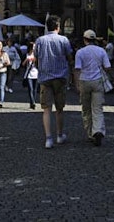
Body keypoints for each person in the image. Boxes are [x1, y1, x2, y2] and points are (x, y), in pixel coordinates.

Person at [35, 15, 73, 149]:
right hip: (60, 77)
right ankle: (60, 135)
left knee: (46, 109)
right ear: (57, 27)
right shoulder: (63, 40)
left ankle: (48, 138)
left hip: (45, 78)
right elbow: (69, 56)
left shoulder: (40, 40)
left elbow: (36, 58)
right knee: (59, 109)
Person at [74, 29, 111, 146]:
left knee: (86, 109)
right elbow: (108, 67)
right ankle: (98, 130)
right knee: (97, 109)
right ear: (94, 40)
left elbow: (77, 69)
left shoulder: (80, 52)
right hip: (97, 81)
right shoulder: (101, 51)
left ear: (84, 40)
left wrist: (76, 84)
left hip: (84, 81)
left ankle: (90, 132)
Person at [21, 41, 38, 109]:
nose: (34, 48)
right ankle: (32, 102)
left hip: (36, 73)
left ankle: (33, 102)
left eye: (35, 47)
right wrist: (26, 60)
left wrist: (36, 60)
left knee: (35, 89)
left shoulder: (37, 55)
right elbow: (22, 64)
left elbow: (40, 64)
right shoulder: (26, 54)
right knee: (30, 89)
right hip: (28, 74)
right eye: (33, 47)